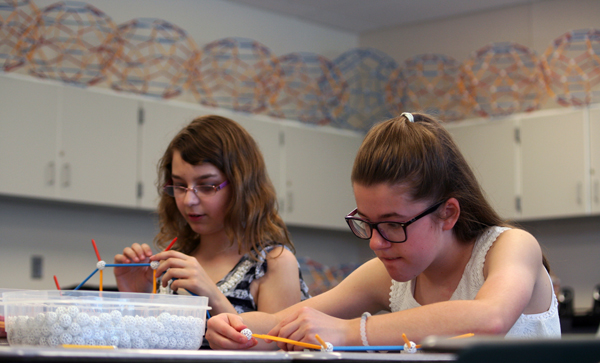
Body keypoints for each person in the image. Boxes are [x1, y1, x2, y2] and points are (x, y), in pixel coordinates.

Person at [205, 112, 560, 351]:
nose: (377, 242)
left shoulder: (511, 247)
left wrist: (347, 331)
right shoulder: (389, 275)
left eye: (393, 224)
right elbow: (282, 322)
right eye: (368, 224)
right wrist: (236, 330)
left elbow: (490, 318)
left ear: (448, 213)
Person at [113, 115, 310, 317]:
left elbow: (275, 345)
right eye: (180, 185)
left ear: (242, 186)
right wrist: (137, 298)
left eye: (207, 186)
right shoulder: (172, 262)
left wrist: (212, 297)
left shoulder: (273, 263)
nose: (188, 200)